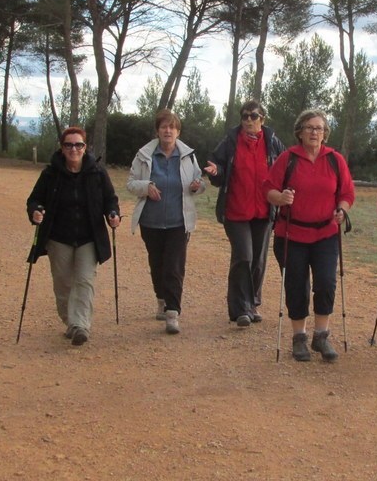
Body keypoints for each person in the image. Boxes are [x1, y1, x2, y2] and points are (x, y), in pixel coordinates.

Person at [264, 109, 354, 362]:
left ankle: (321, 336)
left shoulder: (335, 160)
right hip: (291, 233)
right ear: (300, 132)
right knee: (296, 285)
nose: (315, 132)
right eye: (310, 127)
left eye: (319, 128)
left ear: (325, 133)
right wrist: (280, 198)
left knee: (326, 283)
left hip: (325, 233)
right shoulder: (288, 158)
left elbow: (347, 193)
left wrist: (342, 210)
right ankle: (299, 338)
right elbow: (268, 188)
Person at [25, 126, 121, 346]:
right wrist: (36, 211)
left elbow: (110, 199)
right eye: (69, 145)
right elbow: (34, 200)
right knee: (63, 283)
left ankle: (80, 326)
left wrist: (113, 214)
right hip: (59, 238)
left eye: (78, 144)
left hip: (88, 237)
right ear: (62, 148)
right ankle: (71, 322)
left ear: (85, 147)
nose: (74, 149)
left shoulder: (97, 172)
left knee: (85, 280)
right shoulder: (50, 174)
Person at [204, 100, 286, 327]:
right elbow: (217, 166)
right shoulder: (231, 140)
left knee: (258, 260)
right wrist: (215, 171)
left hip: (264, 210)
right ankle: (241, 309)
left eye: (254, 116)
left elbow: (286, 167)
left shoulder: (272, 141)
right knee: (244, 257)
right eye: (245, 116)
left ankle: (253, 304)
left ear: (263, 119)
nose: (249, 120)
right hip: (236, 210)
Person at [128, 110, 206, 335]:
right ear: (157, 131)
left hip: (179, 222)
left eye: (172, 127)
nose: (168, 131)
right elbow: (131, 183)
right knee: (157, 264)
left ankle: (173, 312)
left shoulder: (188, 156)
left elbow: (199, 182)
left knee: (174, 267)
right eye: (164, 127)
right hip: (151, 221)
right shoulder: (144, 155)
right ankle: (161, 298)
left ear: (178, 132)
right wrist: (146, 187)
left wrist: (196, 186)